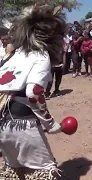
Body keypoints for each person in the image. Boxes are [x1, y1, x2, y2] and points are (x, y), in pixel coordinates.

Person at [0, 4, 65, 179]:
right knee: (44, 172)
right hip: (22, 125)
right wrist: (50, 124)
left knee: (14, 171)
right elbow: (34, 93)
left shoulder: (14, 54)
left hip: (3, 124)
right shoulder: (41, 55)